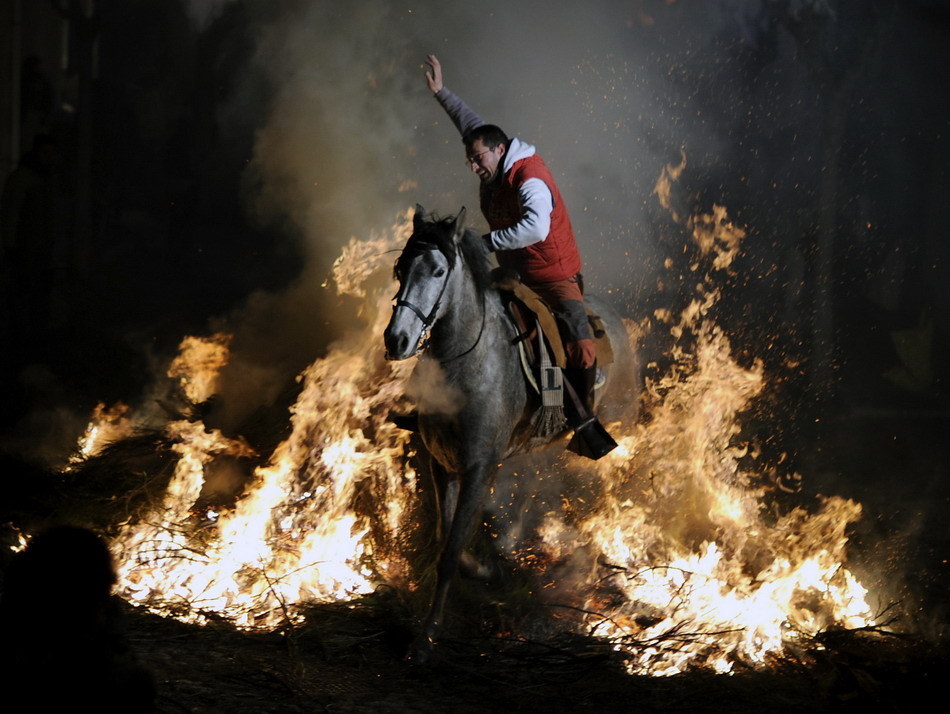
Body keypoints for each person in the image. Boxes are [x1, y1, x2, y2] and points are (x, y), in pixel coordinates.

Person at [423, 54, 601, 425]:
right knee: (454, 313)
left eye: (477, 159)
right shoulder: (492, 153)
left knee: (581, 346)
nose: (473, 167)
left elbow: (536, 229)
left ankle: (583, 421)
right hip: (513, 273)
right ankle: (432, 406)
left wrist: (486, 244)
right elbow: (472, 126)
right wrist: (442, 93)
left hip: (552, 276)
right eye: (469, 160)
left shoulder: (529, 177)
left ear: (500, 150)